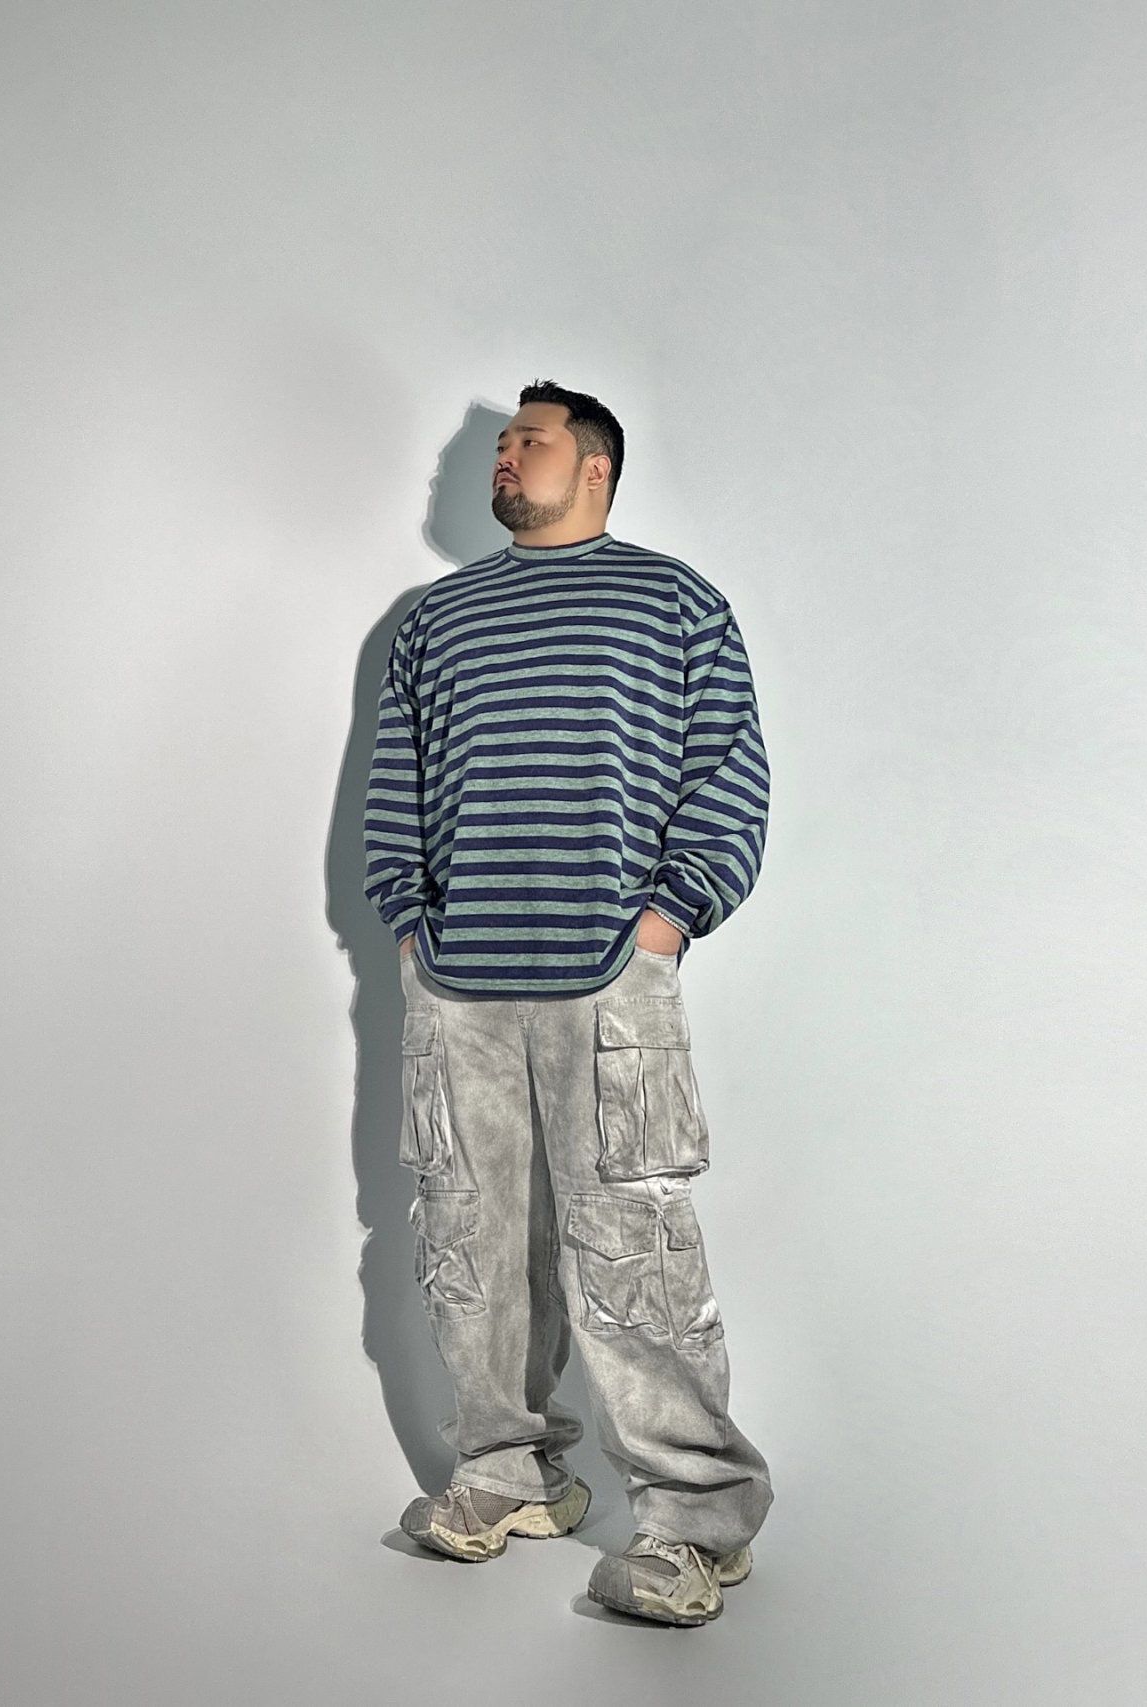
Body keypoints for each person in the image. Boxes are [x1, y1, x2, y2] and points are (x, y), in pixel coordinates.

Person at [363, 378, 774, 1627]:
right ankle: (509, 1476)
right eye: (498, 445)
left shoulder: (673, 602)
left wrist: (670, 916)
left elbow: (728, 774)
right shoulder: (436, 619)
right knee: (468, 1243)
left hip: (609, 981)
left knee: (632, 1251)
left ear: (592, 465)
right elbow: (396, 783)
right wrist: (409, 921)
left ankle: (695, 1522)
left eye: (527, 441)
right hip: (459, 988)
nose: (504, 457)